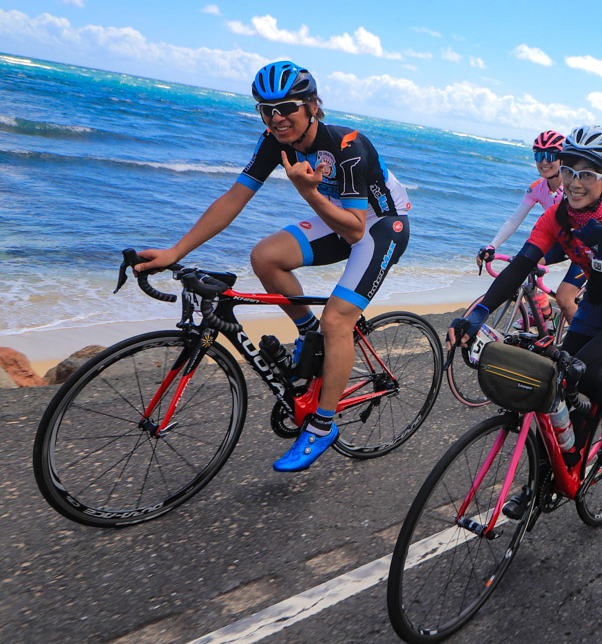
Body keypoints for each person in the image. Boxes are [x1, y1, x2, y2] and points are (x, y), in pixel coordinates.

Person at [136, 61, 412, 471]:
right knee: (265, 257)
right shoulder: (273, 142)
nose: (277, 118)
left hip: (382, 224)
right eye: (266, 110)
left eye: (287, 107)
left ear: (313, 106)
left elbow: (356, 233)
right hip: (343, 214)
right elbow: (233, 199)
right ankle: (307, 332)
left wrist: (309, 193)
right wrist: (175, 252)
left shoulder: (349, 146)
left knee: (338, 321)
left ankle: (322, 425)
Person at [449, 125, 602, 476]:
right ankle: (555, 473)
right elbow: (520, 266)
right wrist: (477, 313)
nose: (574, 183)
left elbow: (600, 293)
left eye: (587, 175)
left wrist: (601, 253)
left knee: (587, 369)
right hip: (599, 301)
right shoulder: (555, 216)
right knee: (558, 378)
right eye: (568, 171)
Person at [477, 130, 584, 325]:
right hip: (560, 244)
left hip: (583, 246)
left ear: (563, 159)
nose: (544, 162)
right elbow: (514, 220)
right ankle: (544, 315)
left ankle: (582, 348)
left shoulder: (573, 187)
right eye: (539, 155)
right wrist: (492, 245)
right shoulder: (537, 187)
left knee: (565, 299)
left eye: (550, 155)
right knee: (524, 268)